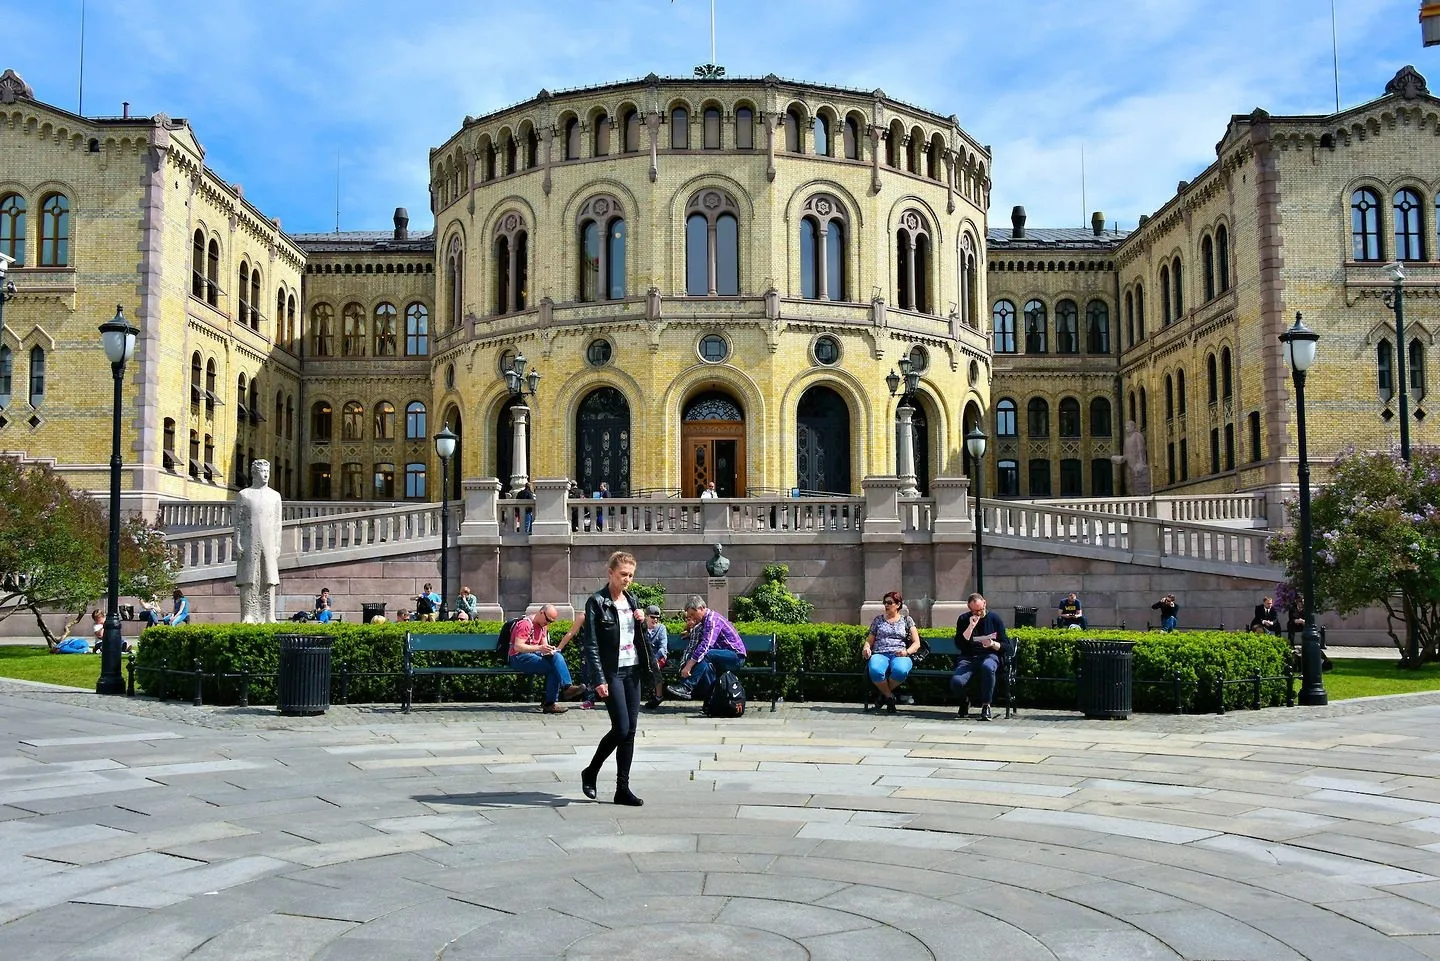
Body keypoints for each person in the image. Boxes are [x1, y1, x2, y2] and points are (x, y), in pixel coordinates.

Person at [579, 551, 656, 806]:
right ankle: (591, 772)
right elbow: (590, 645)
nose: (628, 580)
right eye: (623, 574)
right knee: (621, 728)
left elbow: (638, 639)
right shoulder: (597, 602)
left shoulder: (631, 601)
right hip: (611, 673)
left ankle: (622, 788)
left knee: (630, 731)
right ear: (610, 573)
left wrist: (642, 622)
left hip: (632, 670)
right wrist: (598, 679)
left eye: (631, 575)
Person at [666, 595, 746, 702]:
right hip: (722, 656)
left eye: (693, 614)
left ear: (701, 608)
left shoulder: (713, 619)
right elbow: (703, 635)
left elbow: (706, 645)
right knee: (707, 668)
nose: (693, 618)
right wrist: (689, 633)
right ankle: (711, 700)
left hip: (736, 657)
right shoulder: (705, 621)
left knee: (707, 654)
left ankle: (687, 687)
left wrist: (689, 666)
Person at [508, 603, 583, 714]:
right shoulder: (525, 624)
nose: (548, 623)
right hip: (518, 657)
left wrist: (550, 650)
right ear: (541, 613)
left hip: (533, 655)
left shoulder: (543, 626)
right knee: (554, 668)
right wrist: (540, 647)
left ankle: (566, 688)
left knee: (556, 657)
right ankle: (552, 702)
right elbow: (518, 646)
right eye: (547, 619)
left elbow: (544, 645)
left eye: (551, 622)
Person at [950, 593, 1013, 721]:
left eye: (980, 610)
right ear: (970, 609)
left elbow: (1008, 647)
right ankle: (965, 702)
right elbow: (959, 644)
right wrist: (970, 626)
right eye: (974, 611)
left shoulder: (994, 619)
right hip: (969, 657)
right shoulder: (963, 619)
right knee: (957, 682)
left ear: (985, 603)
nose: (978, 613)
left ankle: (986, 705)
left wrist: (992, 644)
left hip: (990, 655)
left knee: (987, 667)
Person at [235, 458, 283, 623]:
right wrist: (237, 542)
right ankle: (248, 614)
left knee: (269, 578)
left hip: (268, 541)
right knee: (249, 577)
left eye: (267, 472)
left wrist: (277, 545)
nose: (266, 475)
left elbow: (278, 523)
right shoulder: (244, 495)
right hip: (249, 540)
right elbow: (239, 522)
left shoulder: (275, 496)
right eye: (262, 472)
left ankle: (269, 614)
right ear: (254, 473)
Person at [862, 591, 922, 713]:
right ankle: (889, 697)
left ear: (898, 604)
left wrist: (907, 652)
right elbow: (869, 641)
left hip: (900, 654)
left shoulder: (907, 620)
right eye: (885, 603)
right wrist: (866, 648)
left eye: (890, 603)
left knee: (901, 670)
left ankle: (883, 695)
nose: (886, 605)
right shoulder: (878, 620)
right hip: (880, 653)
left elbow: (917, 643)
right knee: (875, 670)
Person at [642, 605, 669, 709]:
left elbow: (663, 648)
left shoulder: (661, 628)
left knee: (655, 666)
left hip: (659, 656)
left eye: (657, 618)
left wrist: (655, 660)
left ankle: (659, 696)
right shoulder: (641, 628)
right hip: (645, 657)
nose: (655, 620)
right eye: (652, 617)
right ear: (646, 617)